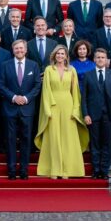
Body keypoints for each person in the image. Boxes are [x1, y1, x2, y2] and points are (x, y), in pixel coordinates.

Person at [35, 45, 89, 178]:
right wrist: (47, 110)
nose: (60, 56)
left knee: (67, 138)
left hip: (68, 105)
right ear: (54, 55)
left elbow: (75, 91)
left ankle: (67, 170)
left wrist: (75, 110)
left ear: (66, 56)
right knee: (54, 138)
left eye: (62, 54)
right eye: (58, 54)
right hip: (53, 105)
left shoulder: (72, 70)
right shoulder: (49, 69)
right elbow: (46, 90)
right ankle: (54, 170)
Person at [0, 39, 41, 180]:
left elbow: (37, 85)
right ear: (13, 50)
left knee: (26, 140)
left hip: (27, 109)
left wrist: (26, 98)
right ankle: (11, 170)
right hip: (10, 108)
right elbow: (1, 84)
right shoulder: (5, 65)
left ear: (26, 50)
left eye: (21, 48)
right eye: (16, 48)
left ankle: (23, 170)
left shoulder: (33, 65)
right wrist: (14, 97)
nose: (19, 50)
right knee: (10, 140)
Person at [82, 49, 111, 180]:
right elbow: (84, 97)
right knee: (95, 144)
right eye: (98, 57)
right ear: (94, 59)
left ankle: (104, 170)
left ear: (106, 59)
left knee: (107, 144)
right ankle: (96, 170)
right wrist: (85, 114)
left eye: (103, 57)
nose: (100, 59)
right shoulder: (88, 75)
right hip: (93, 115)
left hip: (109, 114)